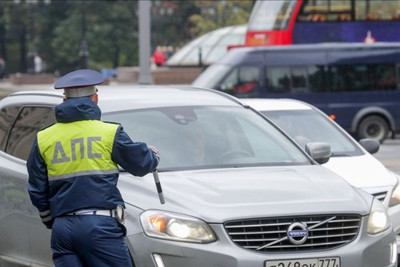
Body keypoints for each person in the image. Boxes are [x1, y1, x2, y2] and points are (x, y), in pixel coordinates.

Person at [26, 69, 160, 267]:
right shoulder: (109, 132)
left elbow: (37, 189)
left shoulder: (43, 138)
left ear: (64, 102)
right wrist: (153, 155)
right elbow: (140, 164)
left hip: (62, 230)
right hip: (100, 228)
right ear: (95, 99)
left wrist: (52, 221)